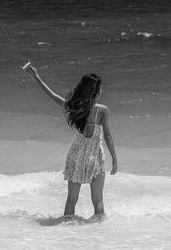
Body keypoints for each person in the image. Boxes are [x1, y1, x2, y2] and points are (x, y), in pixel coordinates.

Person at [23, 64, 118, 221]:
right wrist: (114, 158)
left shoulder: (75, 107)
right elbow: (107, 136)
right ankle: (99, 236)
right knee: (98, 202)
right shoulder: (102, 111)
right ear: (96, 91)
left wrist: (36, 77)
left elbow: (53, 96)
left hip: (77, 155)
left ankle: (67, 233)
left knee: (71, 200)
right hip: (95, 157)